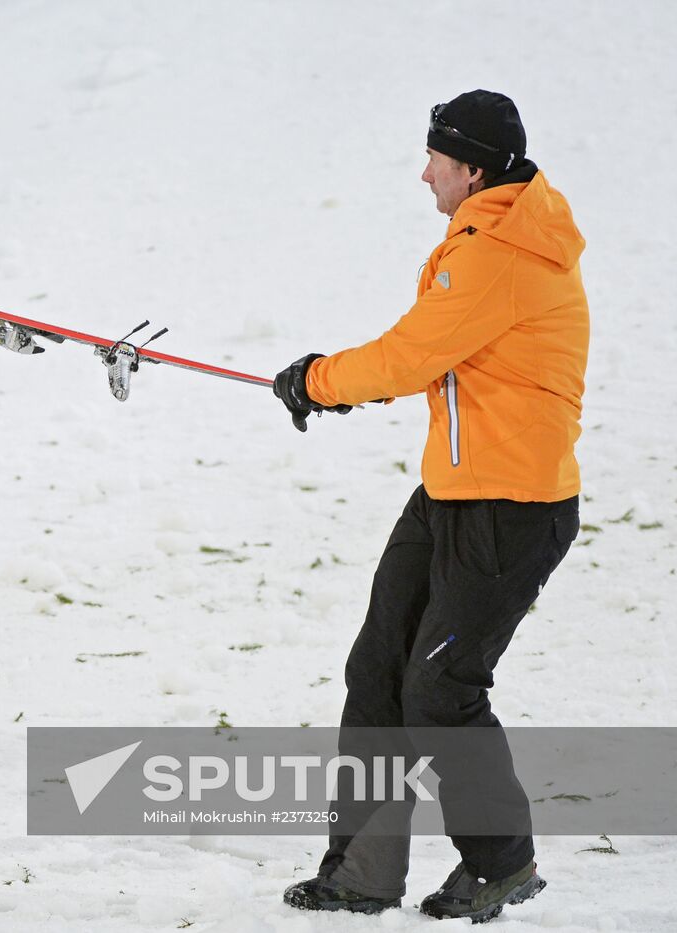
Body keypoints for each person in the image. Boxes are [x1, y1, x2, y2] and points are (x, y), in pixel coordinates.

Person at [273, 90, 587, 922]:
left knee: (441, 689)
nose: (425, 176)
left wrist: (319, 381)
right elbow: (438, 352)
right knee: (379, 670)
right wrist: (345, 384)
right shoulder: (488, 234)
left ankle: (501, 864)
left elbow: (413, 354)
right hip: (450, 492)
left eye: (435, 161)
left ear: (472, 170)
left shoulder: (501, 250)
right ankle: (362, 869)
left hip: (512, 506)